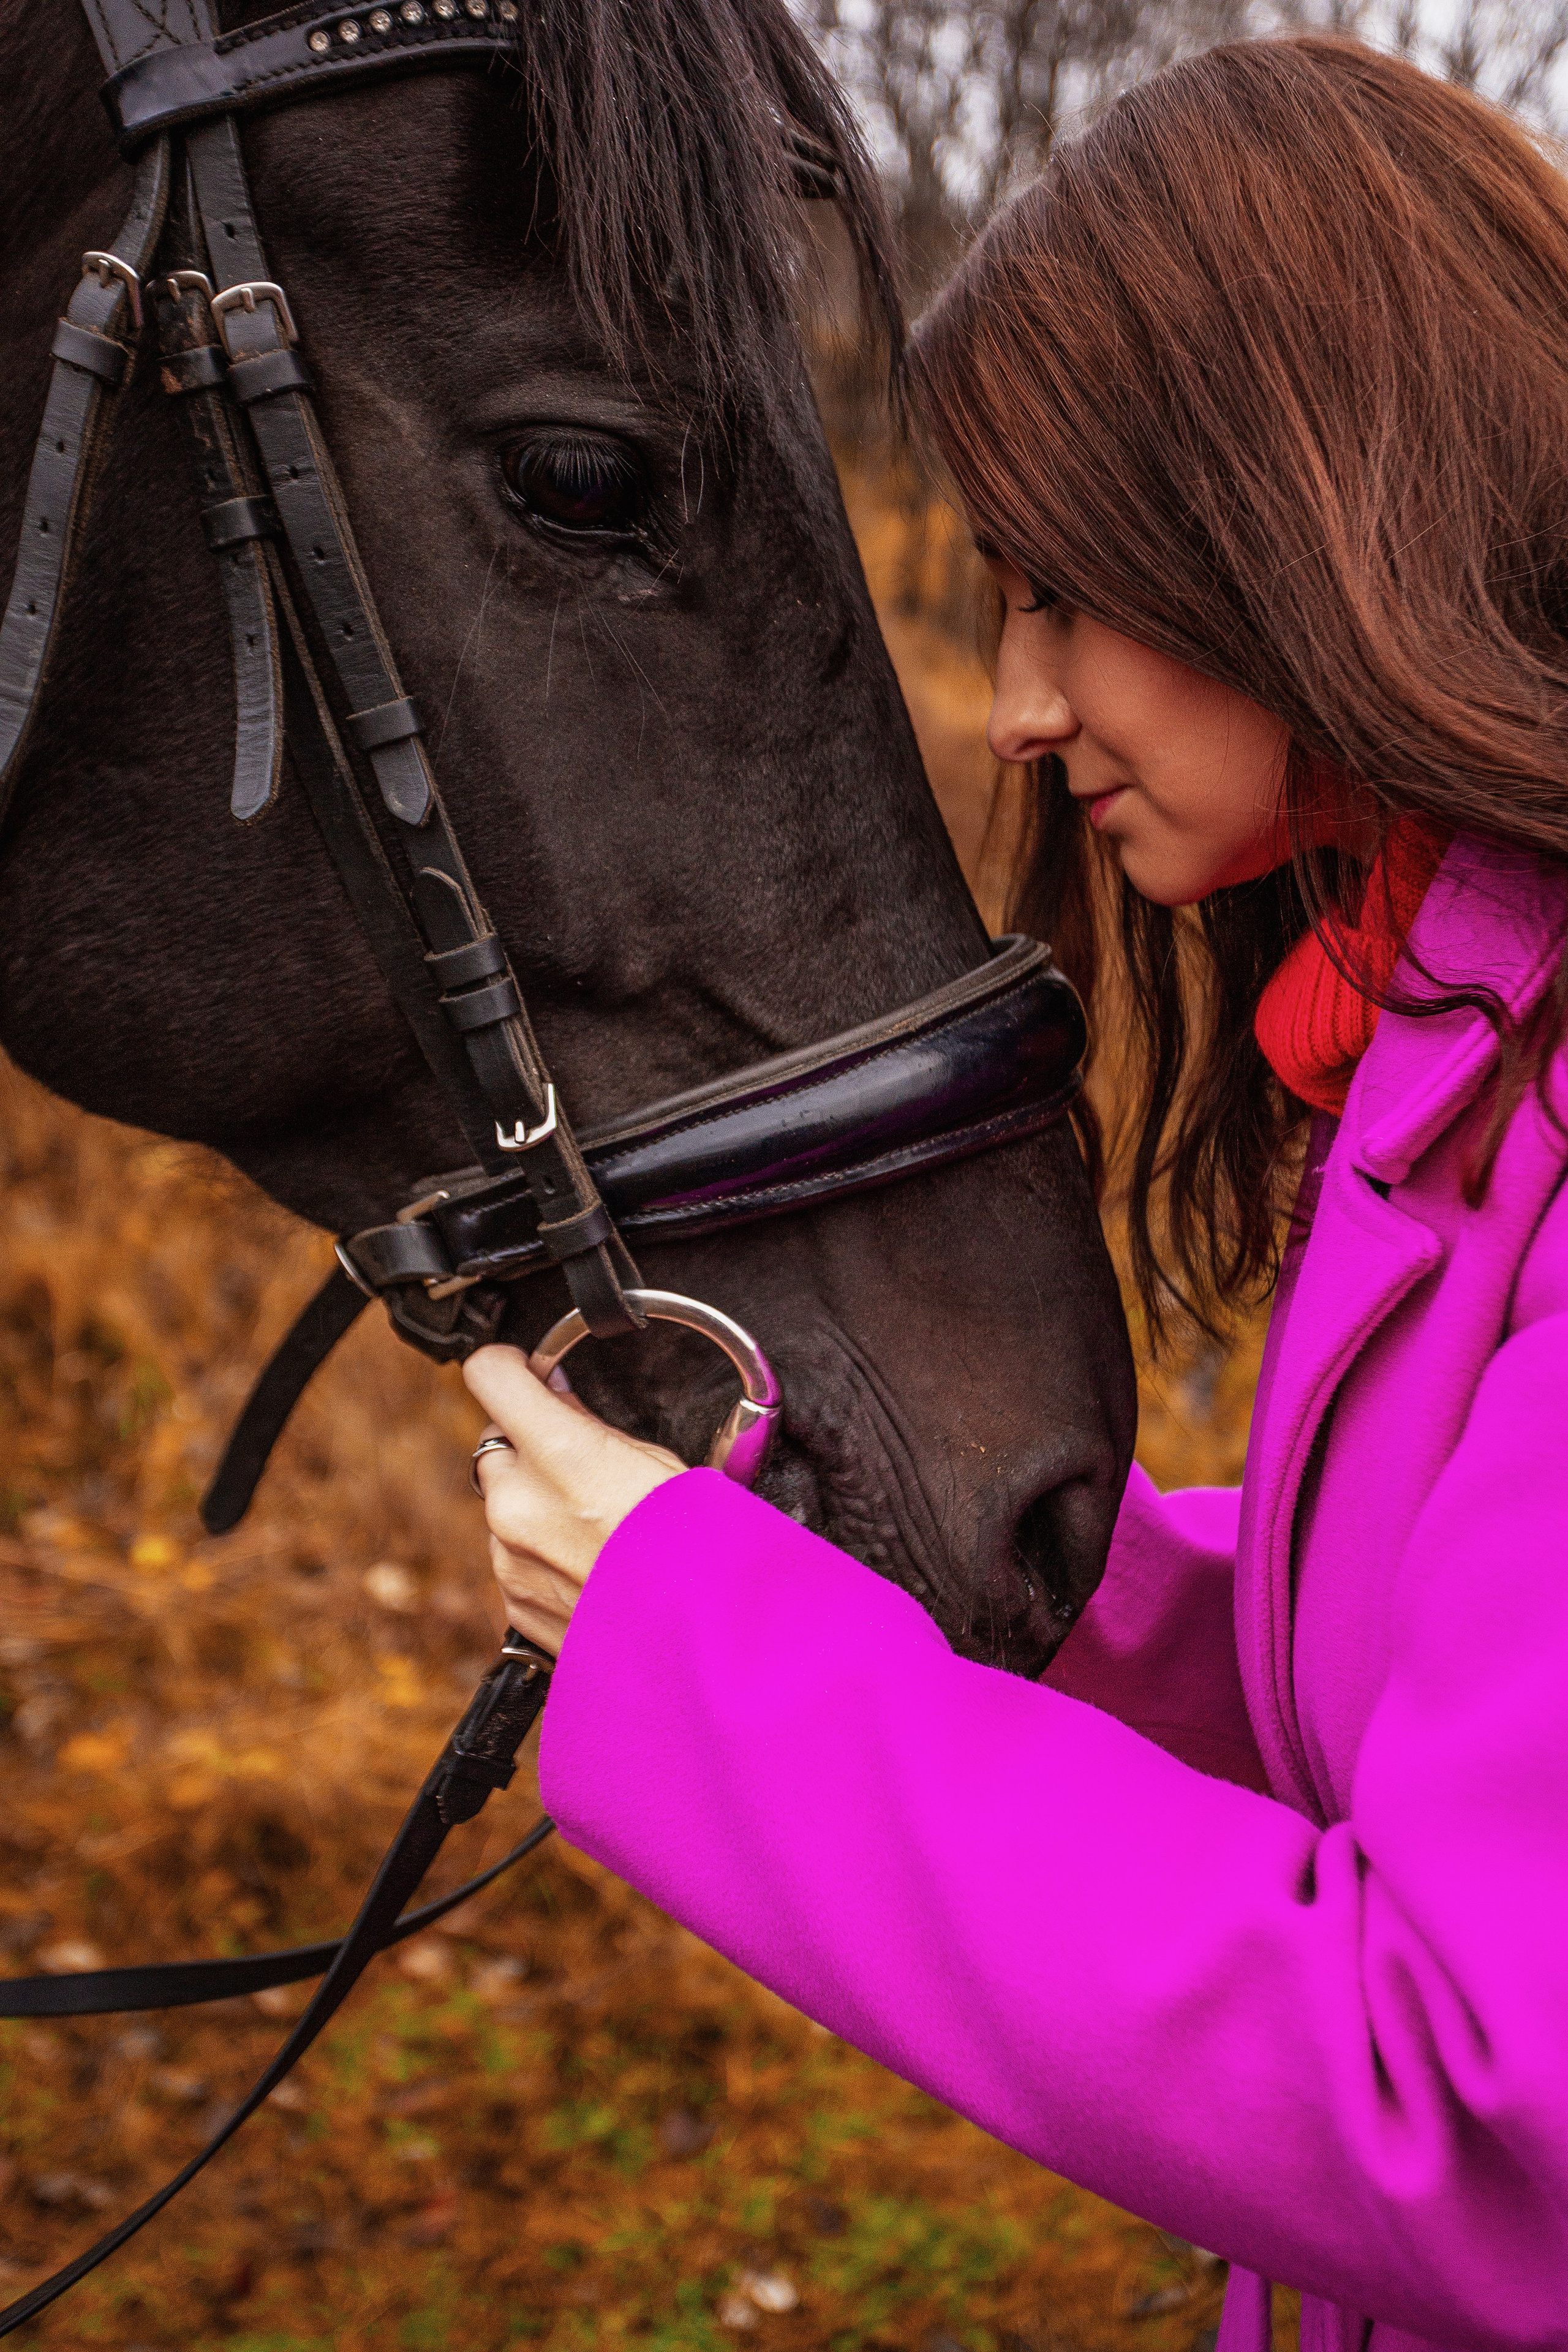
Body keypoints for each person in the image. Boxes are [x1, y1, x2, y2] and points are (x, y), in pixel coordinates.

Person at [463, 36, 1568, 2352]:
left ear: (1305, 528)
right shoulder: (1459, 1038)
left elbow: (1473, 2115)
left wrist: (698, 1647)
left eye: (1063, 593)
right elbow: (1423, 1712)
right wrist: (977, 1569)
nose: (1017, 708)